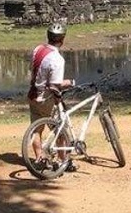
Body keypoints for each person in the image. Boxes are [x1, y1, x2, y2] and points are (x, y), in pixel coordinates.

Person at [27, 23, 76, 170]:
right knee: (60, 130)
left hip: (33, 95)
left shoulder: (38, 49)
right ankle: (63, 162)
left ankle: (39, 158)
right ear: (62, 39)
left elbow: (35, 70)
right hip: (47, 99)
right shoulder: (57, 59)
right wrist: (70, 83)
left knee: (36, 129)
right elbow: (55, 86)